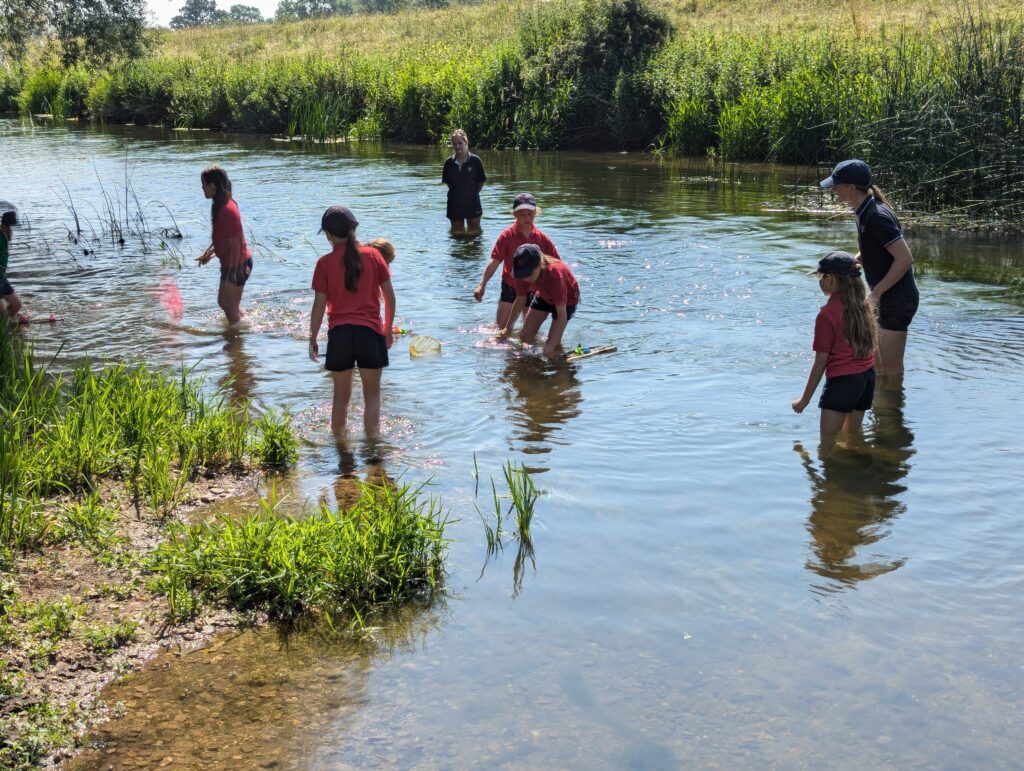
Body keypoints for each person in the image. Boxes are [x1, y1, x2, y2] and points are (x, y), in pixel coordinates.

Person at [820, 159, 918, 381]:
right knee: (877, 366)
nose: (833, 190)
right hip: (888, 297)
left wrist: (875, 294)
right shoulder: (865, 210)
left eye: (837, 185)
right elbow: (874, 247)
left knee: (890, 372)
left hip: (896, 300)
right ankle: (878, 411)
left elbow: (904, 259)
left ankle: (891, 413)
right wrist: (852, 263)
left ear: (851, 188)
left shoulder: (876, 216)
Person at [308, 206, 396, 439]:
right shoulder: (374, 256)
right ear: (353, 229)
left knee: (341, 397)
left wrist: (313, 338)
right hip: (370, 333)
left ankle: (340, 449)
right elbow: (389, 297)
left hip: (340, 335)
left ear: (328, 234)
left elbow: (318, 306)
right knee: (372, 396)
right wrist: (387, 329)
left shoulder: (324, 263)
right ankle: (372, 447)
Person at [792, 251, 878, 455]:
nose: (820, 281)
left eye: (821, 277)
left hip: (843, 382)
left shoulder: (827, 315)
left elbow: (821, 361)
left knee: (828, 441)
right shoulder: (864, 306)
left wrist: (804, 400)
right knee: (853, 435)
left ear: (830, 279)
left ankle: (831, 483)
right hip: (866, 378)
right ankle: (855, 470)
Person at [474, 193, 559, 329]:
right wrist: (482, 285)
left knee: (528, 333)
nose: (527, 217)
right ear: (514, 214)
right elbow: (494, 261)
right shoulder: (506, 236)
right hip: (510, 285)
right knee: (500, 328)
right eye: (522, 214)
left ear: (536, 213)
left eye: (530, 213)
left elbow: (556, 264)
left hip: (532, 288)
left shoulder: (542, 239)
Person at [498, 243, 580, 357]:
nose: (526, 278)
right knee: (525, 336)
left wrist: (551, 346)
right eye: (523, 274)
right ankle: (532, 367)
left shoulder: (555, 274)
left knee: (552, 346)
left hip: (566, 300)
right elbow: (520, 300)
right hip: (543, 295)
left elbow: (562, 315)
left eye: (528, 273)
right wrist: (508, 328)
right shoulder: (520, 275)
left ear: (540, 264)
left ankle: (559, 362)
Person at [196, 166, 252, 325]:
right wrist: (209, 253)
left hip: (238, 264)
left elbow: (230, 242)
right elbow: (223, 236)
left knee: (229, 306)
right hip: (235, 263)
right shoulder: (223, 203)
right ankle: (245, 323)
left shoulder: (226, 209)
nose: (202, 188)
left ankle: (236, 342)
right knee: (225, 303)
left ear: (213, 185)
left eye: (203, 184)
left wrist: (213, 254)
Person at [442, 129, 486, 235]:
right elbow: (449, 183)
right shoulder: (448, 163)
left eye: (460, 143)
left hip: (473, 203)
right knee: (457, 236)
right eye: (454, 144)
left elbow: (481, 182)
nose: (457, 146)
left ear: (466, 142)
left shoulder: (476, 161)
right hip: (454, 204)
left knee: (474, 235)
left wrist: (470, 193)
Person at [0, 209, 23, 321]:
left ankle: (6, 326)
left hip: (2, 278)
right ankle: (4, 326)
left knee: (17, 305)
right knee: (3, 314)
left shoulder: (4, 235)